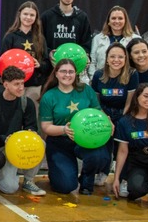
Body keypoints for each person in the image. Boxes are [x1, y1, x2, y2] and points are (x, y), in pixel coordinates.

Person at [39, 59, 112, 195]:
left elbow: (98, 113)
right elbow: (46, 127)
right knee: (66, 187)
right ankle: (57, 173)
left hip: (86, 140)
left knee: (101, 156)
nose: (67, 75)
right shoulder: (49, 96)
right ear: (56, 74)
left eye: (71, 72)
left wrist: (108, 122)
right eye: (63, 71)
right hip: (59, 142)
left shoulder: (86, 90)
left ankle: (86, 179)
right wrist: (64, 129)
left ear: (75, 74)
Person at [0, 66, 45, 196]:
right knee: (10, 189)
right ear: (5, 84)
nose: (21, 87)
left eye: (22, 83)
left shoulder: (27, 103)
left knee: (40, 143)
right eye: (16, 84)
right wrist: (5, 139)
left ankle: (28, 180)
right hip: (2, 149)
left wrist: (31, 133)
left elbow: (32, 126)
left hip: (19, 146)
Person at [91, 42, 138, 186]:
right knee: (104, 145)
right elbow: (95, 101)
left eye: (120, 57)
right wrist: (104, 118)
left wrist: (123, 121)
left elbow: (130, 102)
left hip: (123, 113)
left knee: (123, 146)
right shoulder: (99, 75)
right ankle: (103, 171)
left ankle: (123, 178)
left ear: (125, 59)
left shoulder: (132, 75)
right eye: (112, 56)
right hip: (104, 113)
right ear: (106, 59)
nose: (116, 60)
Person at [1, 1, 48, 103]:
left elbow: (47, 63)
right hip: (13, 86)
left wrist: (39, 65)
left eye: (32, 15)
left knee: (32, 115)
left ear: (36, 18)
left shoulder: (40, 39)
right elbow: (2, 62)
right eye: (25, 14)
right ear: (19, 15)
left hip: (34, 86)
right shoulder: (10, 37)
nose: (28, 17)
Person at [40, 0, 92, 64]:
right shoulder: (47, 16)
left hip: (75, 66)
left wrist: (84, 56)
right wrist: (48, 52)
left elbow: (87, 42)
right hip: (51, 66)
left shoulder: (82, 17)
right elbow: (40, 40)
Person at [89, 6, 139, 76]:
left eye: (120, 18)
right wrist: (93, 78)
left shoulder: (135, 39)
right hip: (102, 80)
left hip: (127, 80)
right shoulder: (98, 39)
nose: (117, 21)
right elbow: (92, 62)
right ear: (108, 21)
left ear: (125, 21)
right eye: (113, 18)